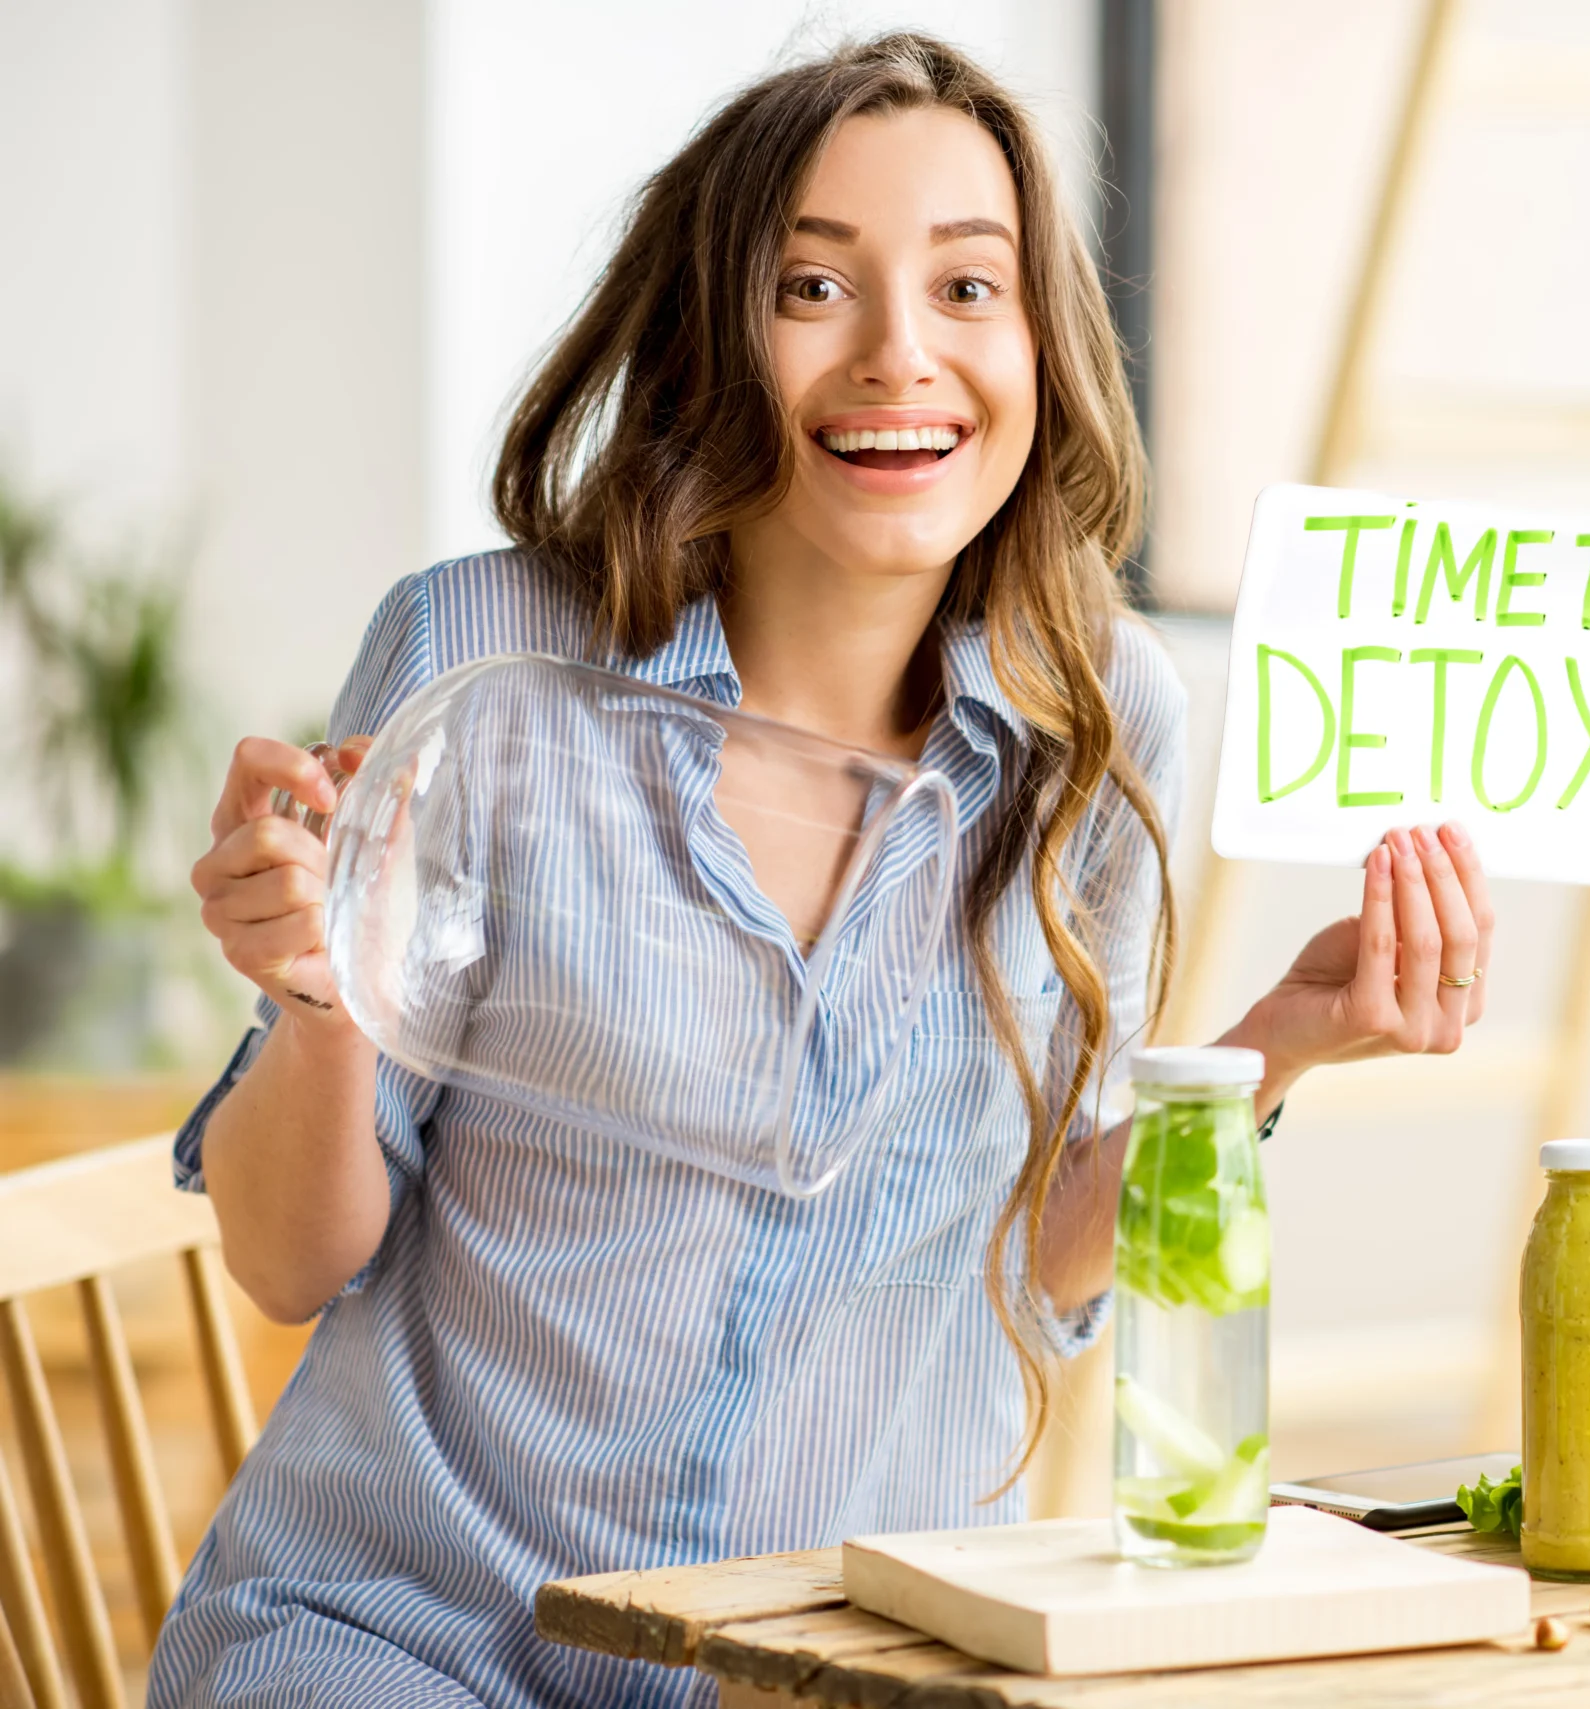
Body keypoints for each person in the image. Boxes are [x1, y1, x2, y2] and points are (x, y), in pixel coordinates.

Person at [156, 34, 1492, 1709]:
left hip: (838, 1668)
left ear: (1039, 345)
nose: (898, 357)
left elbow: (1028, 1266)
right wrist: (318, 996)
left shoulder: (1102, 719)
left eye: (966, 288)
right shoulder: (475, 653)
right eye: (812, 287)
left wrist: (1271, 1050)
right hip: (404, 1639)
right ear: (717, 331)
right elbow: (294, 1265)